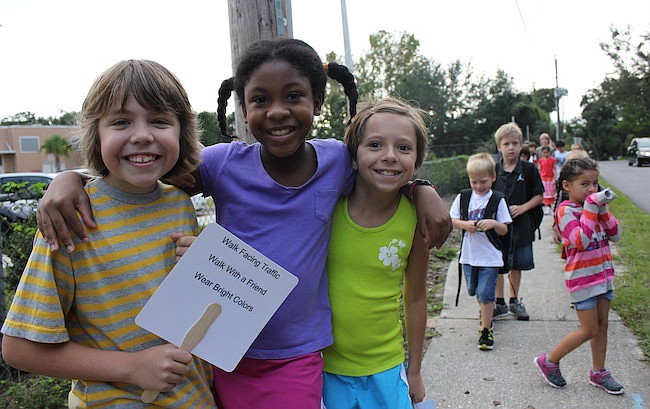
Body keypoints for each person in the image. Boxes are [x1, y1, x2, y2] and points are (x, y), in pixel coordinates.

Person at [36, 39, 452, 409]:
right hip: (219, 349)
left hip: (296, 352)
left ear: (317, 103)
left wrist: (422, 189)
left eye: (294, 96)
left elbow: (382, 171)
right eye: (260, 99)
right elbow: (142, 170)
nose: (277, 111)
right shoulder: (221, 164)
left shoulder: (337, 161)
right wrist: (71, 178)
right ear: (243, 108)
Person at [1, 60, 217, 408]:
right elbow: (19, 348)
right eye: (120, 122)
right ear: (95, 134)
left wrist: (204, 272)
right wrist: (131, 367)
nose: (143, 135)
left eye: (160, 121)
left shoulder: (179, 204)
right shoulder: (71, 216)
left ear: (182, 132)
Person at [322, 97, 432, 408]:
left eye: (404, 147)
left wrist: (415, 371)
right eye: (375, 145)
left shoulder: (417, 219)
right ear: (353, 157)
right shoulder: (326, 208)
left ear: (416, 161)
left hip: (387, 367)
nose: (390, 156)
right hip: (323, 368)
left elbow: (416, 297)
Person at [534, 158, 624, 395]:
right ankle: (549, 361)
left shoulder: (594, 207)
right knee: (589, 329)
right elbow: (581, 241)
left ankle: (599, 372)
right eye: (585, 184)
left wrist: (602, 209)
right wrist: (592, 207)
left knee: (602, 326)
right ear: (567, 186)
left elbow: (616, 234)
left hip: (604, 276)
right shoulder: (565, 211)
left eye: (595, 183)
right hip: (583, 280)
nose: (592, 189)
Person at [450, 153, 512, 350]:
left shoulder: (498, 200)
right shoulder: (464, 197)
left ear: (493, 177)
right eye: (474, 182)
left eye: (483, 181)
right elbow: (452, 219)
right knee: (474, 291)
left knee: (485, 293)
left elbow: (504, 229)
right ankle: (485, 312)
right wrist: (465, 225)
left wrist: (493, 223)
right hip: (469, 256)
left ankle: (486, 329)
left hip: (490, 256)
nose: (478, 186)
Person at [492, 123, 544, 321]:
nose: (511, 148)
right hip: (498, 226)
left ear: (521, 145)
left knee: (517, 264)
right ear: (499, 146)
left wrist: (523, 208)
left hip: (522, 224)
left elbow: (539, 196)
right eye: (506, 144)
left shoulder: (529, 169)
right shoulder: (494, 170)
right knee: (497, 263)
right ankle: (499, 303)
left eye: (515, 143)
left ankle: (514, 300)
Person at [538, 145, 557, 215]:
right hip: (544, 178)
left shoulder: (553, 160)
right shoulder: (541, 160)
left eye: (547, 152)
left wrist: (554, 178)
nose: (545, 154)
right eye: (544, 152)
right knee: (545, 193)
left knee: (551, 193)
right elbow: (540, 170)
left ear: (549, 152)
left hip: (550, 178)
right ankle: (547, 207)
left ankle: (552, 207)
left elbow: (554, 169)